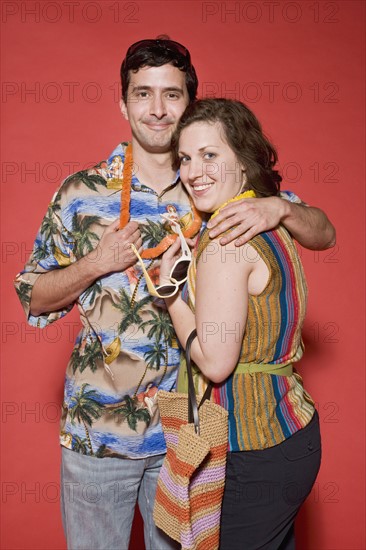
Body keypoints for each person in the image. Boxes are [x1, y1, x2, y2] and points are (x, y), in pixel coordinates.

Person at [14, 38, 334, 550]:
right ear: (123, 103)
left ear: (191, 103)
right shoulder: (81, 193)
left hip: (190, 439)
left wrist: (282, 210)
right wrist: (98, 262)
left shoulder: (213, 177)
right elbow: (31, 295)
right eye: (142, 94)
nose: (158, 110)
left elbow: (324, 232)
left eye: (171, 95)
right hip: (99, 436)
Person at [157, 98, 323, 549]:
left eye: (210, 155)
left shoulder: (228, 241)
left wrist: (170, 295)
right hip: (291, 430)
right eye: (186, 159)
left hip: (257, 446)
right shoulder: (265, 214)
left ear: (243, 162)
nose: (194, 171)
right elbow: (324, 232)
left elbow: (214, 363)